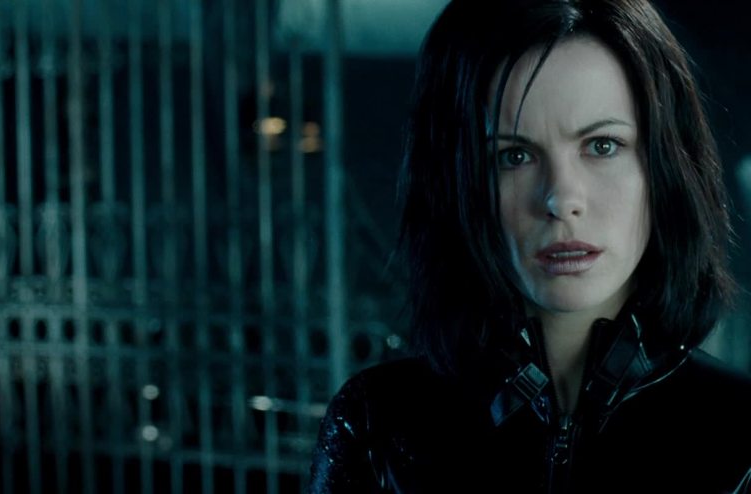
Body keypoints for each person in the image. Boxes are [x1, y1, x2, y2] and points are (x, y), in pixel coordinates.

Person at [309, 0, 751, 492]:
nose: (561, 200)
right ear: (458, 184)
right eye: (514, 156)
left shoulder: (743, 441)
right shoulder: (377, 428)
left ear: (664, 166)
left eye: (602, 146)